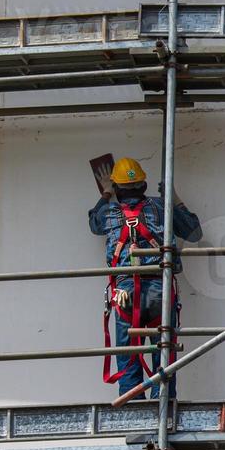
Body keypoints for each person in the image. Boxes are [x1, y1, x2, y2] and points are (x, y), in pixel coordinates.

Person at [89, 157, 202, 398]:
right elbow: (194, 232)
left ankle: (133, 412)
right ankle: (165, 410)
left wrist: (106, 193)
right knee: (164, 354)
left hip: (125, 291)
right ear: (143, 185)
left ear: (118, 188)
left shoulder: (109, 213)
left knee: (129, 355)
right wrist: (174, 195)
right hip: (159, 286)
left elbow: (93, 223)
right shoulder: (163, 206)